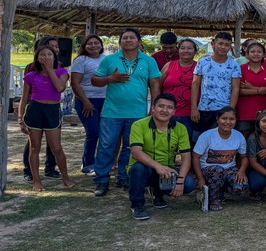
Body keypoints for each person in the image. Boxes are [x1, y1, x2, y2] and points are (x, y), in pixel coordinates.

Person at [92, 28, 161, 197]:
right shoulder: (110, 60)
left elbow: (155, 85)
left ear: (139, 42)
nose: (128, 40)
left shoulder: (148, 61)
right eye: (125, 38)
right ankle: (102, 179)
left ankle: (124, 176)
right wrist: (109, 79)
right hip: (111, 112)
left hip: (137, 113)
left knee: (131, 147)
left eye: (132, 38)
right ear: (120, 41)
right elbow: (94, 80)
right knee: (106, 145)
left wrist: (154, 107)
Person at [127, 94, 197, 220]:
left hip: (166, 170)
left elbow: (186, 157)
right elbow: (136, 152)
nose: (165, 110)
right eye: (161, 106)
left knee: (189, 184)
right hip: (145, 168)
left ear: (174, 111)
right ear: (153, 108)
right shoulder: (138, 125)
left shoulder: (180, 128)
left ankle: (157, 192)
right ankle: (137, 204)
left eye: (169, 107)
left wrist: (180, 181)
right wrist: (157, 166)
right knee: (138, 169)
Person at [18, 45, 75, 191]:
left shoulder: (62, 72)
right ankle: (36, 181)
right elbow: (24, 98)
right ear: (37, 58)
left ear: (55, 57)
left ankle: (65, 177)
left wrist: (50, 69)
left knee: (56, 148)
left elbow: (59, 88)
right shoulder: (31, 76)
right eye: (42, 55)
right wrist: (20, 118)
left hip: (52, 110)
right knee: (34, 147)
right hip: (35, 110)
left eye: (49, 54)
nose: (46, 57)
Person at [192, 106, 250, 212]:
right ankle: (214, 199)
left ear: (236, 120)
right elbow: (195, 157)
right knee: (218, 170)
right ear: (217, 119)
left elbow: (244, 157)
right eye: (224, 118)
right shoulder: (207, 136)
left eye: (231, 119)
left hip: (229, 169)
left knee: (241, 189)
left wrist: (242, 171)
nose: (228, 122)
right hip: (209, 169)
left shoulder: (239, 136)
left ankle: (218, 191)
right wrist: (200, 178)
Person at [22, 36, 61, 181]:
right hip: (35, 106)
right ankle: (29, 170)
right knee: (33, 144)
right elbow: (28, 90)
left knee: (54, 144)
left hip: (52, 108)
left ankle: (50, 168)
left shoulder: (60, 67)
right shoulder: (31, 67)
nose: (55, 49)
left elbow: (59, 87)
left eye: (56, 47)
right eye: (51, 46)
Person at [190, 32, 241, 143]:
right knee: (198, 141)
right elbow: (195, 84)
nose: (223, 47)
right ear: (213, 44)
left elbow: (235, 88)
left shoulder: (234, 65)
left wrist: (230, 111)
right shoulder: (203, 62)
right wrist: (194, 107)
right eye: (220, 43)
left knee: (219, 142)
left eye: (227, 45)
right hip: (204, 109)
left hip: (223, 110)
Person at [70, 34, 106, 175]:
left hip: (105, 100)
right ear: (84, 46)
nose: (93, 46)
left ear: (101, 45)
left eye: (96, 43)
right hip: (86, 101)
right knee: (93, 132)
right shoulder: (81, 60)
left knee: (104, 133)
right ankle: (88, 163)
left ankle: (101, 163)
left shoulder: (106, 59)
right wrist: (86, 102)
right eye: (89, 44)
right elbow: (75, 83)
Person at [160, 38, 198, 139]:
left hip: (190, 114)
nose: (186, 51)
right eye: (183, 48)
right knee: (165, 145)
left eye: (189, 48)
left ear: (195, 51)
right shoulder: (169, 65)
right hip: (167, 113)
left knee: (186, 146)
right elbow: (158, 86)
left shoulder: (199, 67)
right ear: (178, 50)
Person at [236, 41, 266, 138]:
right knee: (243, 138)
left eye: (259, 52)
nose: (256, 54)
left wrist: (250, 87)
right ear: (247, 54)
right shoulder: (240, 68)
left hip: (263, 112)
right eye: (252, 51)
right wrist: (259, 91)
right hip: (244, 112)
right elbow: (239, 91)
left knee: (261, 138)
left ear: (264, 54)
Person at [246, 109, 266, 197]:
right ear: (258, 122)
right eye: (264, 121)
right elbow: (253, 163)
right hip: (257, 169)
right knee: (257, 184)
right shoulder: (253, 138)